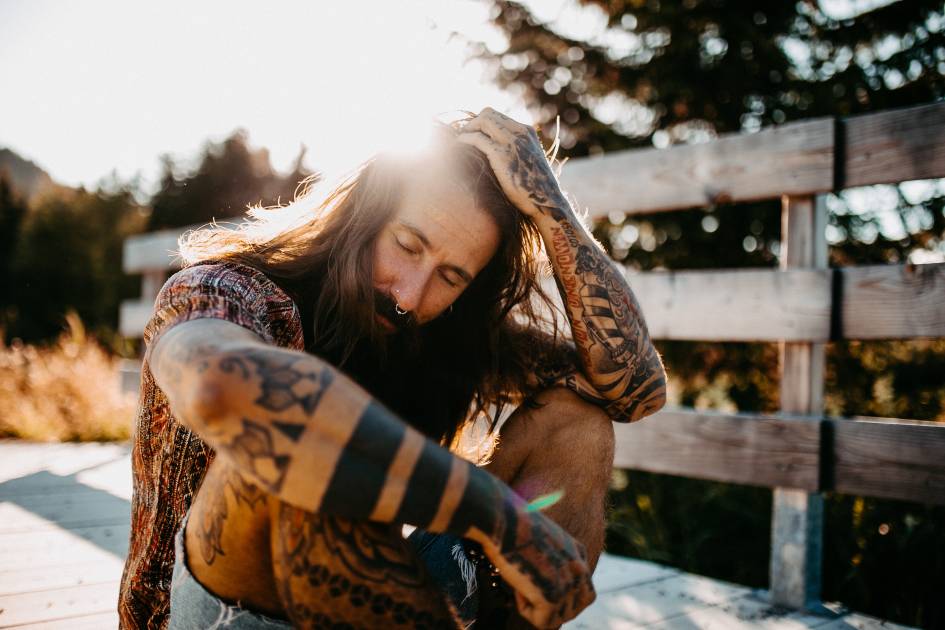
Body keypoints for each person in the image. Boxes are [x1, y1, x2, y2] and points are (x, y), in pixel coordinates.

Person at [118, 108, 667, 629]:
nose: (409, 295)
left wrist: (552, 210)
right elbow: (227, 391)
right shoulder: (229, 291)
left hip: (360, 602)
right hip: (218, 612)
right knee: (291, 446)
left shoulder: (436, 335)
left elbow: (634, 391)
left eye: (451, 277)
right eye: (407, 245)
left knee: (577, 422)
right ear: (363, 216)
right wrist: (493, 511)